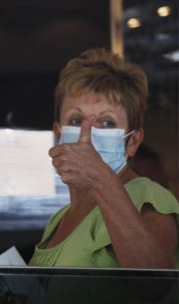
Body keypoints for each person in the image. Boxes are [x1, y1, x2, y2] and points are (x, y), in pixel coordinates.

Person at [29, 48, 179, 269]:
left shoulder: (149, 198)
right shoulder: (59, 217)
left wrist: (100, 177)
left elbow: (153, 283)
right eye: (76, 119)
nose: (86, 134)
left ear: (132, 142)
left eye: (107, 122)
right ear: (58, 133)